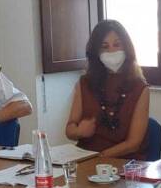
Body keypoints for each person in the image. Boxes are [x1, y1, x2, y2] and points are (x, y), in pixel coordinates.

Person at [65, 20, 151, 159]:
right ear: (96, 52)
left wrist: (99, 158)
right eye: (105, 47)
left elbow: (133, 143)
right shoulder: (85, 83)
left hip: (124, 165)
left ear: (127, 48)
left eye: (117, 45)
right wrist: (79, 132)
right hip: (85, 159)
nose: (112, 51)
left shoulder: (139, 87)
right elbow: (69, 130)